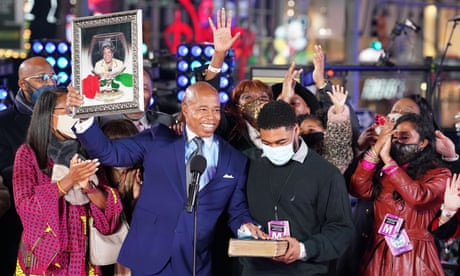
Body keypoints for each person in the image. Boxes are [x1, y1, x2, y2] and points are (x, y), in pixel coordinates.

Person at [67, 81, 266, 275]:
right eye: (203, 109)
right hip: (147, 256)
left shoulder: (235, 160)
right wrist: (85, 118)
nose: (211, 116)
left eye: (215, 110)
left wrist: (246, 226)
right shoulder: (157, 139)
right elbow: (110, 153)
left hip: (194, 263)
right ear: (186, 109)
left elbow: (237, 210)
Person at [13, 87, 123, 275]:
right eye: (68, 110)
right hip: (46, 259)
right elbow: (26, 207)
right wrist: (69, 180)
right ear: (48, 115)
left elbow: (110, 210)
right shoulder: (28, 154)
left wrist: (88, 188)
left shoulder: (89, 152)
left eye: (77, 110)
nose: (73, 115)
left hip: (82, 252)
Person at [241, 100, 354, 275]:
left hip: (306, 270)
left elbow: (341, 230)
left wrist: (303, 249)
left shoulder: (326, 174)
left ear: (295, 130)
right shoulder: (247, 165)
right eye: (267, 143)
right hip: (256, 270)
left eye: (280, 142)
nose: (274, 148)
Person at [349, 113, 451, 275]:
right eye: (394, 137)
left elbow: (418, 198)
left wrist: (389, 162)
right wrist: (378, 148)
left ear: (423, 143)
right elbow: (358, 188)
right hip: (379, 252)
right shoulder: (383, 171)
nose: (397, 142)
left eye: (404, 137)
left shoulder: (439, 173)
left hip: (415, 255)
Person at [0, 56, 58, 275]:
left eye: (53, 77)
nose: (51, 84)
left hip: (63, 232)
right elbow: (6, 174)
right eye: (42, 78)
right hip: (19, 232)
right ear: (23, 84)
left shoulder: (64, 117)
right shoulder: (4, 123)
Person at [297, 84, 353, 174]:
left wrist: (339, 111)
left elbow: (338, 144)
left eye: (311, 130)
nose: (306, 135)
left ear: (326, 130)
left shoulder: (332, 157)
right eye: (301, 133)